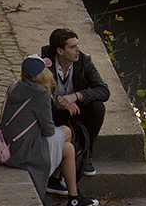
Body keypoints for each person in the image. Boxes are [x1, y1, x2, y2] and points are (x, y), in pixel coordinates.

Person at [0, 55, 100, 206]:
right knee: (67, 135)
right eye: (45, 69)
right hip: (23, 152)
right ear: (41, 75)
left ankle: (66, 191)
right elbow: (48, 131)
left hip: (8, 144)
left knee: (67, 148)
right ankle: (70, 195)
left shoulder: (14, 87)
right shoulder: (41, 95)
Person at [40, 28, 110, 176]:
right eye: (72, 47)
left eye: (77, 45)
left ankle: (87, 155)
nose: (78, 50)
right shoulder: (44, 63)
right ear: (60, 50)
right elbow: (38, 94)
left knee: (98, 108)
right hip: (54, 111)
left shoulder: (84, 61)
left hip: (76, 109)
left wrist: (76, 96)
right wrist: (60, 100)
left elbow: (104, 91)